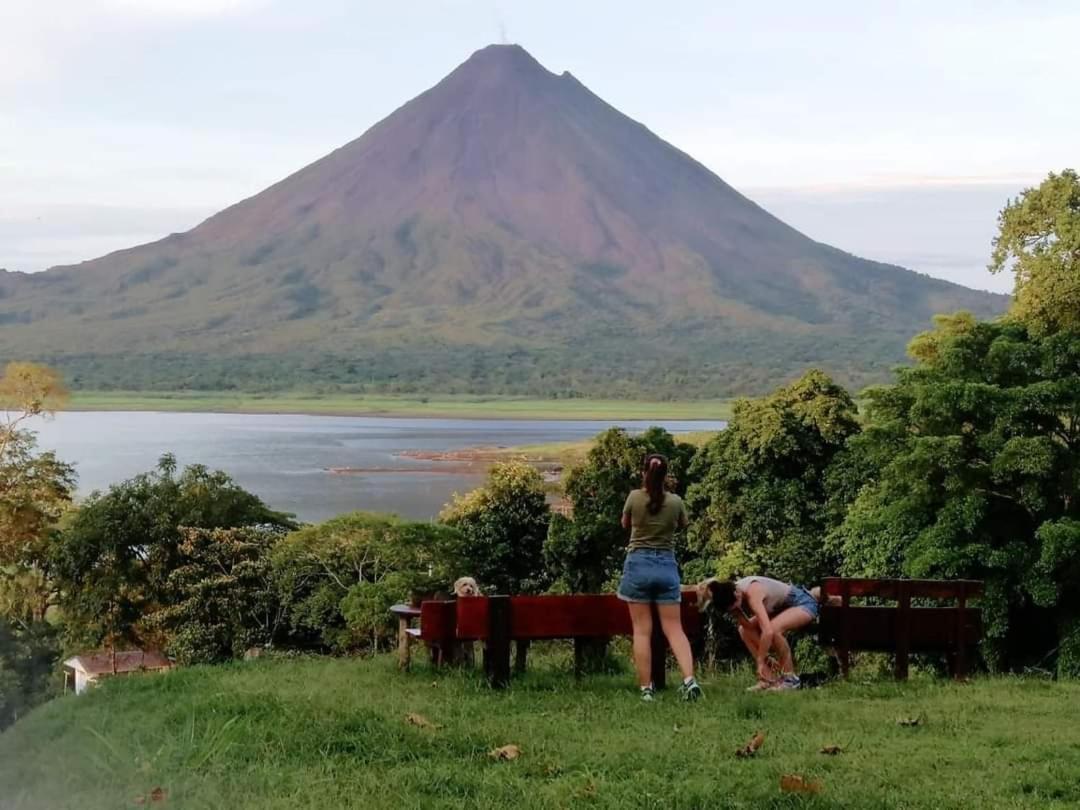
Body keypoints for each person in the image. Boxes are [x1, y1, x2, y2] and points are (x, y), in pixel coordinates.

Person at [617, 453, 702, 702]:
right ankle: (689, 680)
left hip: (638, 564)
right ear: (666, 475)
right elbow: (683, 524)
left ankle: (646, 689)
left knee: (642, 631)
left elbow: (625, 523)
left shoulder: (634, 497)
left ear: (644, 472)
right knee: (675, 629)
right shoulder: (675, 501)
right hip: (666, 565)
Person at [702, 575, 819, 691]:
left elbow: (767, 632)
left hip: (802, 603)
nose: (737, 606)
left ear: (736, 593)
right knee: (743, 630)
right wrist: (736, 612)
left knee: (774, 629)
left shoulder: (753, 593)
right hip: (781, 610)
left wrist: (760, 660)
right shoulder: (731, 597)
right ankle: (767, 679)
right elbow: (748, 626)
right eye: (732, 608)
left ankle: (790, 679)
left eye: (736, 603)